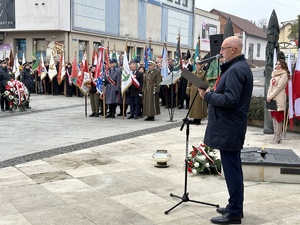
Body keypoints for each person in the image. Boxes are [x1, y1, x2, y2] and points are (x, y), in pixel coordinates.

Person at [199, 36, 253, 224]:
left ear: (234, 49)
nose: (220, 52)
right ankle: (235, 206)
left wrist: (207, 96)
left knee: (232, 170)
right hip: (230, 127)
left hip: (229, 127)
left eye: (223, 48)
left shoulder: (236, 70)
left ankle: (234, 213)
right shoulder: (236, 68)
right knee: (233, 169)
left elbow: (230, 100)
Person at [266, 59, 289, 144]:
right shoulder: (274, 74)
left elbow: (279, 87)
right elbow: (270, 87)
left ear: (283, 65)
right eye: (277, 64)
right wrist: (268, 96)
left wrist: (270, 96)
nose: (278, 66)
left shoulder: (284, 74)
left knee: (278, 118)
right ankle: (275, 136)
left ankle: (278, 136)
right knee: (274, 117)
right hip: (272, 99)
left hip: (278, 98)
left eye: (280, 64)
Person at [186, 60, 208, 125]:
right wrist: (188, 91)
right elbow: (189, 83)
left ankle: (198, 118)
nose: (197, 66)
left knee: (198, 106)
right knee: (193, 105)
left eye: (198, 64)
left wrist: (204, 91)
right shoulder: (193, 72)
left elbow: (206, 83)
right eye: (196, 65)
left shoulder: (204, 73)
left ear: (201, 65)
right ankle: (194, 117)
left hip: (199, 91)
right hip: (193, 91)